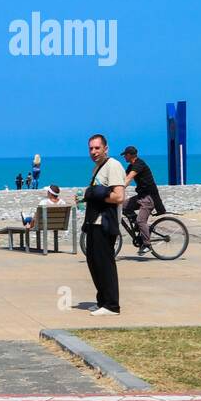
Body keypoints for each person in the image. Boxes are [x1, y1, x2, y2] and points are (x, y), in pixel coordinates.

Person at [82, 133, 126, 315]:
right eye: (91, 148)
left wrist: (96, 194)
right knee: (93, 261)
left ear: (105, 149)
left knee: (104, 262)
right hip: (94, 221)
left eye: (97, 148)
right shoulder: (97, 168)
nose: (94, 152)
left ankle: (111, 305)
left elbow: (119, 196)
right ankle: (102, 301)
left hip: (105, 222)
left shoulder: (113, 166)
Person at [121, 145, 166, 255]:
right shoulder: (131, 166)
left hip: (149, 197)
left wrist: (119, 190)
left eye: (125, 155)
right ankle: (139, 227)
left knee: (141, 220)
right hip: (141, 196)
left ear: (130, 155)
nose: (124, 157)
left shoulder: (139, 164)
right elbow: (122, 178)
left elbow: (128, 179)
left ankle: (147, 245)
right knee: (123, 206)